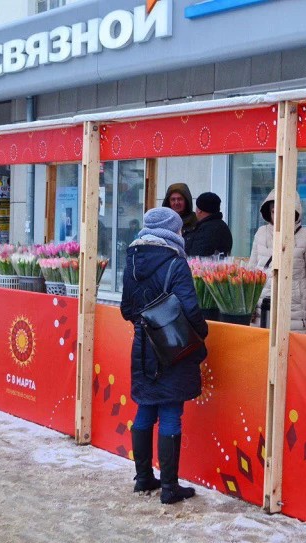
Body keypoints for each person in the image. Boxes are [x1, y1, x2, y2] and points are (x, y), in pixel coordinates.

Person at [120, 207, 208, 504]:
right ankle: (170, 487)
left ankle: (144, 478)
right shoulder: (175, 260)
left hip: (143, 344)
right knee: (170, 410)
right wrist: (201, 333)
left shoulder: (132, 258)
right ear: (174, 230)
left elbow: (126, 309)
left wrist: (145, 325)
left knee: (145, 407)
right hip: (171, 344)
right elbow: (190, 308)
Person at [249, 189, 306, 334]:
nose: (277, 215)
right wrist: (248, 305)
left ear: (294, 211)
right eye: (273, 211)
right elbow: (251, 273)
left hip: (294, 313)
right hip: (261, 312)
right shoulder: (261, 233)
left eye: (283, 210)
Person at [184, 192, 233, 257]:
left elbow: (197, 257)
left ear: (199, 210)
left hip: (203, 266)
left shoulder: (207, 229)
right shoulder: (221, 226)